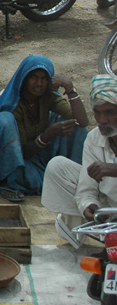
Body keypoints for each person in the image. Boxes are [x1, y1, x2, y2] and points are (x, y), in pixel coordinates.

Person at [0, 54, 88, 202]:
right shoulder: (14, 105)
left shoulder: (47, 97)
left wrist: (70, 87)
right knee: (4, 120)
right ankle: (6, 181)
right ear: (24, 79)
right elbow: (23, 151)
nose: (39, 84)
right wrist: (49, 134)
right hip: (15, 160)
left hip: (38, 154)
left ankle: (78, 177)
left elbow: (82, 121)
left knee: (77, 129)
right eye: (34, 77)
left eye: (44, 79)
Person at [42, 74, 117, 248]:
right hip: (111, 208)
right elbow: (86, 189)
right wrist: (89, 206)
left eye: (110, 113)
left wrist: (113, 169)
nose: (102, 120)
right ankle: (101, 233)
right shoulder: (94, 139)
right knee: (57, 166)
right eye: (97, 113)